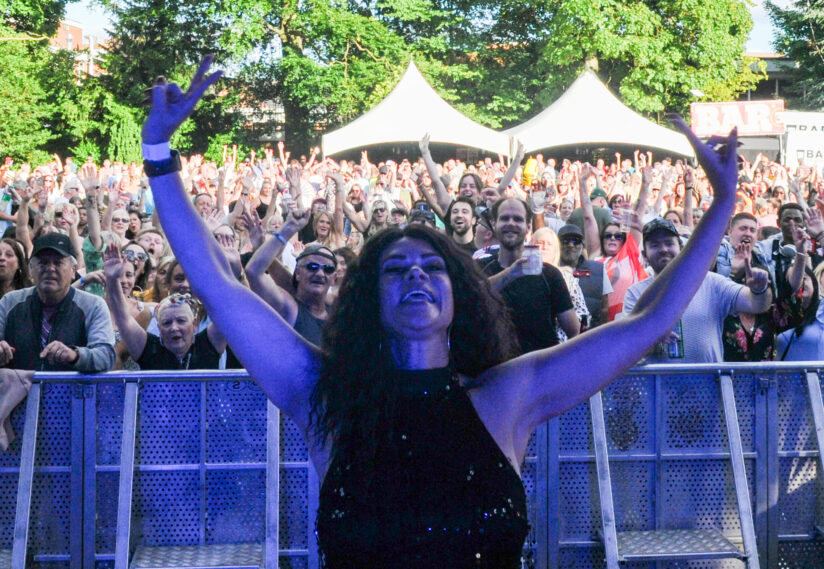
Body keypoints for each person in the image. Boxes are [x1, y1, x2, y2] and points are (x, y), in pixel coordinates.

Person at [141, 60, 740, 567]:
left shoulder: (507, 396)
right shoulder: (324, 396)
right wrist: (160, 156)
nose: (417, 278)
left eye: (433, 269)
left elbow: (650, 321)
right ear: (370, 299)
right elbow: (221, 287)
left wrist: (721, 204)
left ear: (462, 296)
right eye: (396, 271)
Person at [622, 217, 772, 363]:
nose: (663, 249)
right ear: (644, 255)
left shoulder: (712, 282)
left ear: (681, 248)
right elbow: (626, 350)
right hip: (659, 387)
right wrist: (652, 338)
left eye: (669, 243)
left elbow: (757, 305)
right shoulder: (636, 294)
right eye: (655, 245)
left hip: (709, 386)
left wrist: (759, 290)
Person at [0, 233, 115, 371]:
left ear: (73, 270)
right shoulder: (10, 302)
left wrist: (75, 355)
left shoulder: (93, 305)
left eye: (58, 262)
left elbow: (106, 357)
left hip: (72, 390)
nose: (50, 269)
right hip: (19, 391)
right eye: (43, 263)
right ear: (31, 268)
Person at [103, 243, 226, 370]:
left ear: (194, 324)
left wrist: (229, 267)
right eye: (167, 323)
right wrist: (112, 279)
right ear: (159, 328)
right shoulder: (148, 349)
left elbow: (229, 307)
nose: (174, 327)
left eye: (181, 321)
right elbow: (123, 318)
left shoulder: (209, 343)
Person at [557, 224, 611, 328]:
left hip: (590, 335)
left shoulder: (599, 269)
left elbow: (605, 308)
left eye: (576, 241)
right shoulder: (550, 270)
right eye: (565, 241)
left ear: (582, 246)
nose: (571, 245)